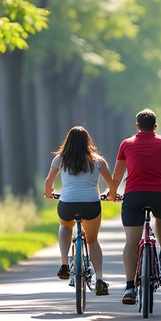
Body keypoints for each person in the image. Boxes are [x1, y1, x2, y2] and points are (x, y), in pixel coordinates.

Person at [107, 109, 161, 305]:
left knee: (131, 243)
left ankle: (129, 287)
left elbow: (117, 175)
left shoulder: (126, 144)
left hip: (134, 197)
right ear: (155, 126)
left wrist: (112, 193)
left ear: (137, 126)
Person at [44, 126, 114, 296]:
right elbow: (112, 185)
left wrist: (49, 194)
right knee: (92, 240)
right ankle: (99, 279)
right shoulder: (98, 161)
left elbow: (48, 183)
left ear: (67, 141)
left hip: (67, 204)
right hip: (91, 205)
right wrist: (110, 195)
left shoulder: (60, 159)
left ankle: (64, 264)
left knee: (65, 227)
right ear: (87, 142)